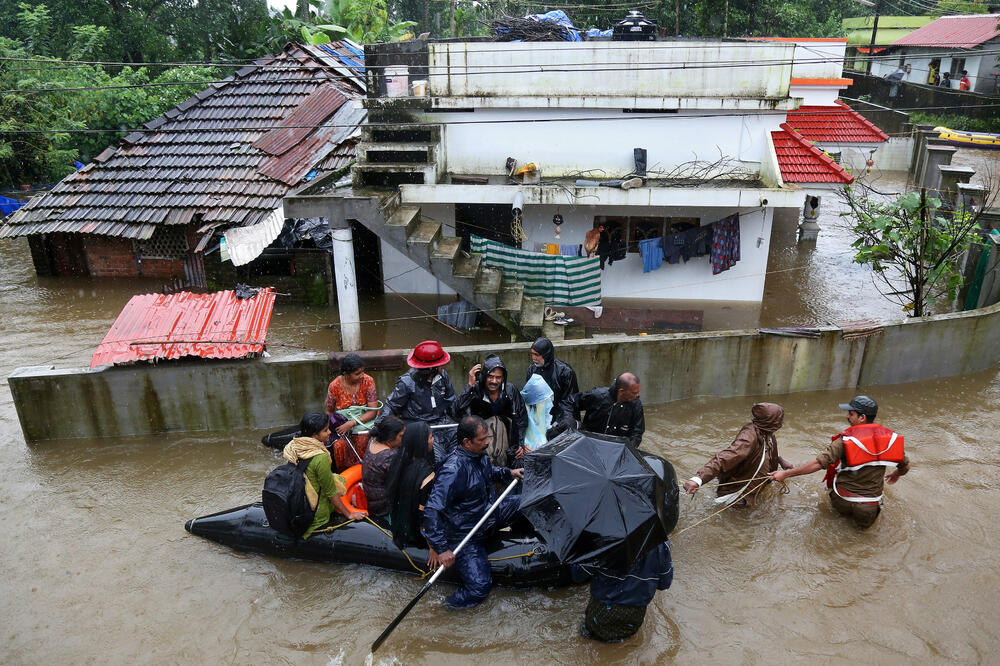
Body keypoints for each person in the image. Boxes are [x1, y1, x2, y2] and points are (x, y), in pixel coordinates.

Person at [422, 416, 524, 609]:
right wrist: (441, 548)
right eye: (482, 440)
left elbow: (487, 471)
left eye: (488, 437)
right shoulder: (452, 470)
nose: (487, 443)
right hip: (466, 532)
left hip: (489, 512)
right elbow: (432, 510)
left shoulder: (479, 454)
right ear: (467, 442)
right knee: (479, 588)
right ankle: (443, 607)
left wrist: (508, 473)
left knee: (525, 502)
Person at [769, 396, 909, 529]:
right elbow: (905, 467)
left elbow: (818, 464)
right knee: (861, 537)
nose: (847, 416)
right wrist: (897, 473)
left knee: (834, 524)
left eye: (851, 414)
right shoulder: (890, 441)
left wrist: (785, 474)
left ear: (862, 417)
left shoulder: (845, 441)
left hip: (841, 499)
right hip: (868, 507)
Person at [683, 403, 792, 504]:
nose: (781, 424)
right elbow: (724, 458)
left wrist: (780, 460)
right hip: (739, 494)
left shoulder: (766, 431)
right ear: (769, 421)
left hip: (756, 488)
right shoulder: (748, 438)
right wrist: (698, 479)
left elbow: (766, 448)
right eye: (779, 420)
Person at [281, 412, 364, 539]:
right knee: (340, 483)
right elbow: (331, 493)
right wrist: (349, 514)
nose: (330, 432)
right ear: (314, 435)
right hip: (316, 514)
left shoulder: (294, 446)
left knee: (338, 478)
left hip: (299, 501)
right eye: (325, 430)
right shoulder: (320, 458)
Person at [573, 541, 673, 643]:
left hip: (600, 614)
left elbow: (578, 576)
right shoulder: (661, 544)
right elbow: (664, 584)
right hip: (634, 617)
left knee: (587, 635)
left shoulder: (603, 539)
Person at [384, 340, 457, 463]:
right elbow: (392, 405)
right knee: (438, 459)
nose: (442, 367)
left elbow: (452, 403)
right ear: (431, 369)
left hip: (442, 423)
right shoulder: (407, 382)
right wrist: (381, 428)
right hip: (419, 427)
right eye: (440, 364)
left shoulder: (443, 376)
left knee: (462, 444)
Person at [454, 354, 529, 466]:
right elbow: (456, 410)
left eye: (498, 377)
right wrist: (470, 385)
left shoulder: (510, 390)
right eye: (490, 376)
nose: (494, 381)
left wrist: (520, 444)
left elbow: (521, 418)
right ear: (484, 376)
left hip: (507, 436)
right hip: (482, 437)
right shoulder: (476, 390)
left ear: (503, 378)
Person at [384, 421, 438, 549]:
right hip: (416, 531)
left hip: (399, 521)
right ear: (422, 443)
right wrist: (432, 546)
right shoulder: (427, 475)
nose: (433, 440)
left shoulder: (398, 462)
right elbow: (425, 514)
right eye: (431, 437)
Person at [325, 353, 379, 471]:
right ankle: (345, 474)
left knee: (363, 439)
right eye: (357, 373)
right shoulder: (334, 386)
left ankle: (366, 471)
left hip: (365, 421)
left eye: (362, 372)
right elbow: (329, 411)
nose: (361, 376)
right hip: (343, 423)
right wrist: (333, 428)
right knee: (339, 445)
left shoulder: (368, 381)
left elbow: (373, 411)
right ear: (345, 374)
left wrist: (352, 423)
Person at [570, 372, 644, 446]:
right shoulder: (598, 396)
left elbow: (637, 433)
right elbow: (570, 401)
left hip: (617, 447)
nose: (638, 395)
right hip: (590, 442)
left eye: (638, 391)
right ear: (621, 391)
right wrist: (571, 420)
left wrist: (630, 448)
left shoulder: (636, 405)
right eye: (634, 393)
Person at [361, 416, 406, 521]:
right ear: (390, 439)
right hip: (384, 506)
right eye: (401, 436)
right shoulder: (389, 456)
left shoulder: (373, 440)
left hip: (371, 498)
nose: (403, 439)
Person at [525, 337, 579, 424]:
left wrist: (560, 423)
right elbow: (530, 398)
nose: (534, 358)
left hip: (560, 418)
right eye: (532, 354)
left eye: (537, 355)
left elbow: (570, 402)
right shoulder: (532, 370)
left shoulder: (565, 372)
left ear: (546, 355)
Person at [521, 374, 554, 451]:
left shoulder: (545, 402)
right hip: (526, 446)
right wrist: (522, 444)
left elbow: (547, 420)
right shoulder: (521, 406)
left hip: (543, 443)